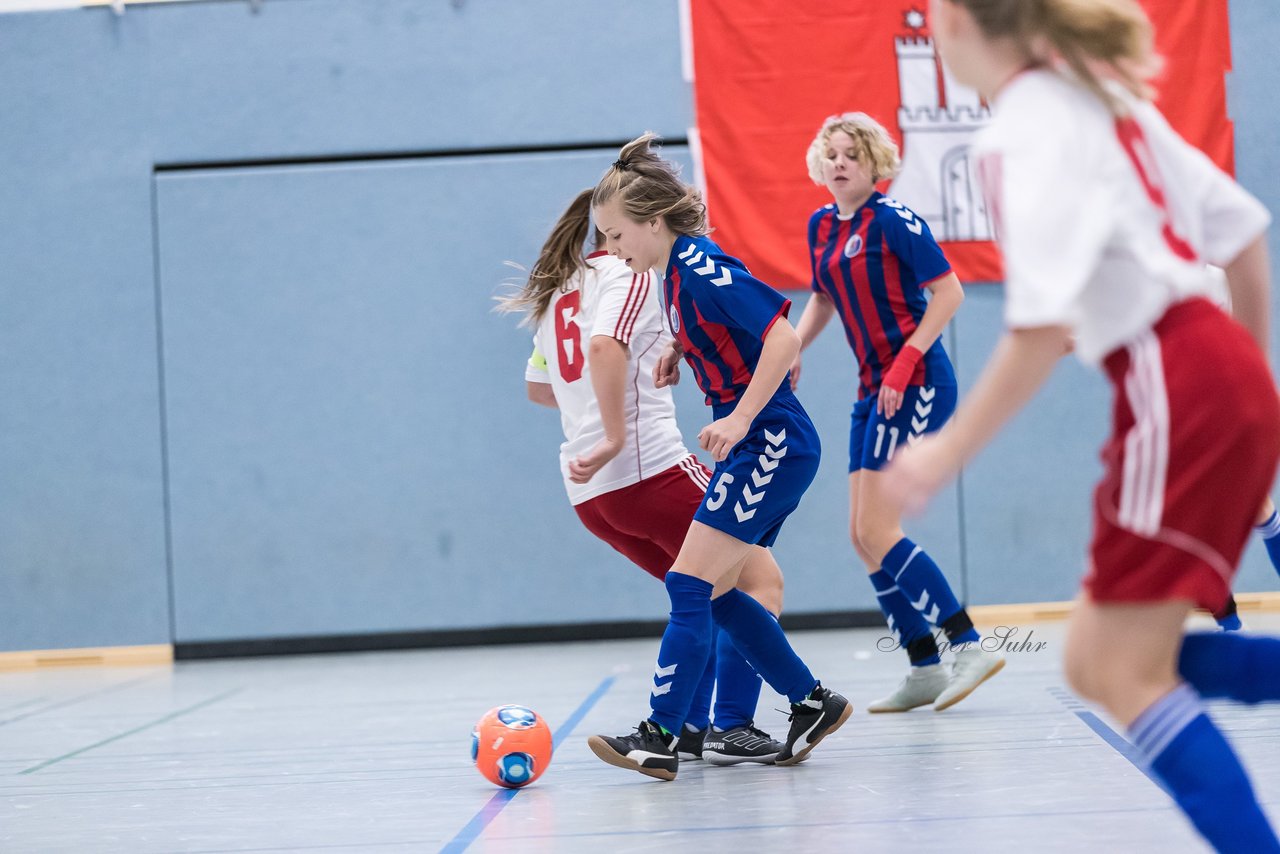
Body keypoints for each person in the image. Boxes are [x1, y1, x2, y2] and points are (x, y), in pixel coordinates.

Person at [888, 0, 1280, 849]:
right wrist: (1247, 377)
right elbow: (1247, 238)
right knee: (1096, 660)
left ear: (953, 22)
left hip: (1179, 382)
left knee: (1117, 667)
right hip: (1216, 373)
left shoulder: (1021, 130)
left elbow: (1035, 331)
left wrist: (947, 449)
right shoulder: (1104, 98)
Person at [585, 133, 851, 781]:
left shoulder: (701, 266)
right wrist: (686, 354)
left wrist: (738, 416)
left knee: (688, 583)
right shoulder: (670, 276)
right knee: (720, 589)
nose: (611, 251)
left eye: (617, 236)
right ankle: (812, 702)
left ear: (652, 222)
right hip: (766, 444)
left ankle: (658, 736)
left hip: (772, 444)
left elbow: (783, 339)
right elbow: (727, 338)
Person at [500, 188, 790, 767]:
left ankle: (683, 727)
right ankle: (730, 724)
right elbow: (607, 346)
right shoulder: (630, 275)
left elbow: (539, 389)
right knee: (758, 581)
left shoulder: (562, 288)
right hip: (644, 466)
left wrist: (593, 411)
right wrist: (612, 431)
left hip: (589, 494)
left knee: (701, 592)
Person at [790, 112, 1004, 712]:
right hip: (870, 388)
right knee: (862, 536)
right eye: (830, 153)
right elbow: (823, 297)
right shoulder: (821, 226)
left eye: (851, 155)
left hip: (914, 381)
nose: (838, 163)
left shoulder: (894, 221)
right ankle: (924, 664)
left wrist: (908, 360)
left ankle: (968, 645)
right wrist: (791, 353)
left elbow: (950, 291)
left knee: (879, 529)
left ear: (874, 163)